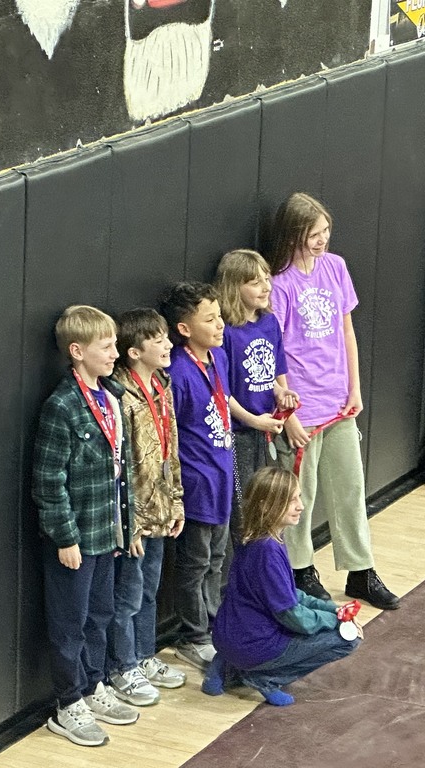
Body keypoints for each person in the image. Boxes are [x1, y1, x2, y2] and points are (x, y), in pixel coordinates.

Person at [266, 192, 401, 610]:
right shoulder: (279, 284)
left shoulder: (336, 267)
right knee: (299, 497)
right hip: (302, 409)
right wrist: (286, 413)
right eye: (313, 234)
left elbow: (346, 332)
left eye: (326, 231)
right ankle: (301, 569)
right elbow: (273, 351)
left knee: (350, 488)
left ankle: (361, 570)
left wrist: (354, 388)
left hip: (339, 402)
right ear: (293, 235)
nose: (322, 240)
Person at [31, 305, 141, 747]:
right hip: (76, 538)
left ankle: (95, 685)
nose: (116, 353)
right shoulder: (62, 407)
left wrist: (128, 526)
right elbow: (47, 481)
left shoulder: (112, 396)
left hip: (107, 533)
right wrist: (65, 537)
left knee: (100, 615)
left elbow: (122, 469)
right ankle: (67, 703)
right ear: (77, 352)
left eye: (115, 343)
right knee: (69, 623)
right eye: (107, 346)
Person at [204, 466, 362, 706]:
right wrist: (335, 621)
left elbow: (289, 593)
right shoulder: (269, 551)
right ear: (267, 506)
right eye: (291, 500)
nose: (301, 505)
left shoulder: (255, 539)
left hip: (227, 636)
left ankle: (224, 666)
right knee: (347, 640)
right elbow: (292, 615)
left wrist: (330, 608)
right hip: (252, 644)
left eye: (298, 497)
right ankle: (262, 677)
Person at [106, 308, 188, 706]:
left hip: (160, 511)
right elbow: (118, 466)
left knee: (150, 591)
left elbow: (170, 449)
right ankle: (123, 666)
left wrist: (176, 502)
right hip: (133, 518)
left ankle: (143, 655)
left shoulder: (163, 385)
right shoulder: (119, 394)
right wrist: (130, 524)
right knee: (127, 595)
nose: (169, 344)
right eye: (158, 339)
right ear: (134, 351)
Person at [159, 282, 236, 670]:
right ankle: (194, 635)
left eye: (220, 316)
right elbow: (170, 435)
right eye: (210, 319)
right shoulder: (178, 371)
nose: (220, 325)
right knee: (195, 563)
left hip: (221, 479)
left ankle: (214, 622)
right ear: (184, 328)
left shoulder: (218, 358)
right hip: (196, 484)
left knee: (217, 558)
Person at [215, 249, 299, 543]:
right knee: (243, 514)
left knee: (268, 509)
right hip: (238, 433)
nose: (266, 287)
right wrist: (253, 420)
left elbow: (270, 379)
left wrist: (281, 393)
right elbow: (221, 393)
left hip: (264, 432)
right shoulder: (225, 331)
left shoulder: (270, 323)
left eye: (266, 279)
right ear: (233, 287)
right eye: (255, 282)